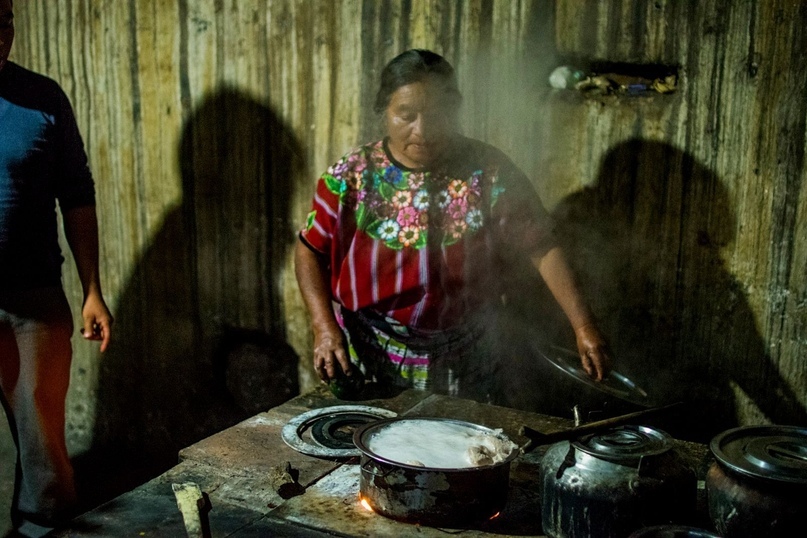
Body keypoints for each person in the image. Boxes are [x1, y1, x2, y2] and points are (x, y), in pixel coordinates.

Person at [295, 49, 610, 402]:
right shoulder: (353, 177)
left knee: (462, 446)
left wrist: (583, 326)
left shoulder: (487, 172)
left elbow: (540, 245)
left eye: (438, 114)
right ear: (384, 110)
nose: (423, 131)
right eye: (406, 115)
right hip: (373, 350)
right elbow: (309, 251)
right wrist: (323, 327)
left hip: (471, 348)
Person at [0, 0, 113, 535]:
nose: (1, 32)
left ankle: (39, 528)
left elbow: (77, 194)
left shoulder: (42, 98)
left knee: (41, 440)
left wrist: (91, 288)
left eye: (5, 17)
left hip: (33, 299)